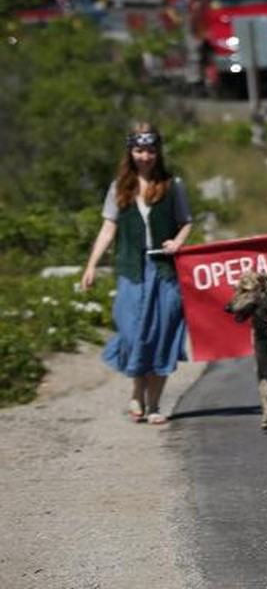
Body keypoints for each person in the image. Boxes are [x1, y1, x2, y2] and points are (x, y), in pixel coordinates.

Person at [82, 123, 193, 425]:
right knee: (132, 332)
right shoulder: (120, 187)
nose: (145, 156)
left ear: (158, 152)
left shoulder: (172, 185)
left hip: (164, 271)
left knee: (162, 334)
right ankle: (137, 390)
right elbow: (108, 228)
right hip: (132, 269)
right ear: (130, 153)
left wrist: (178, 241)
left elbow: (185, 221)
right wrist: (92, 265)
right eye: (139, 150)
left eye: (151, 150)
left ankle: (154, 404)